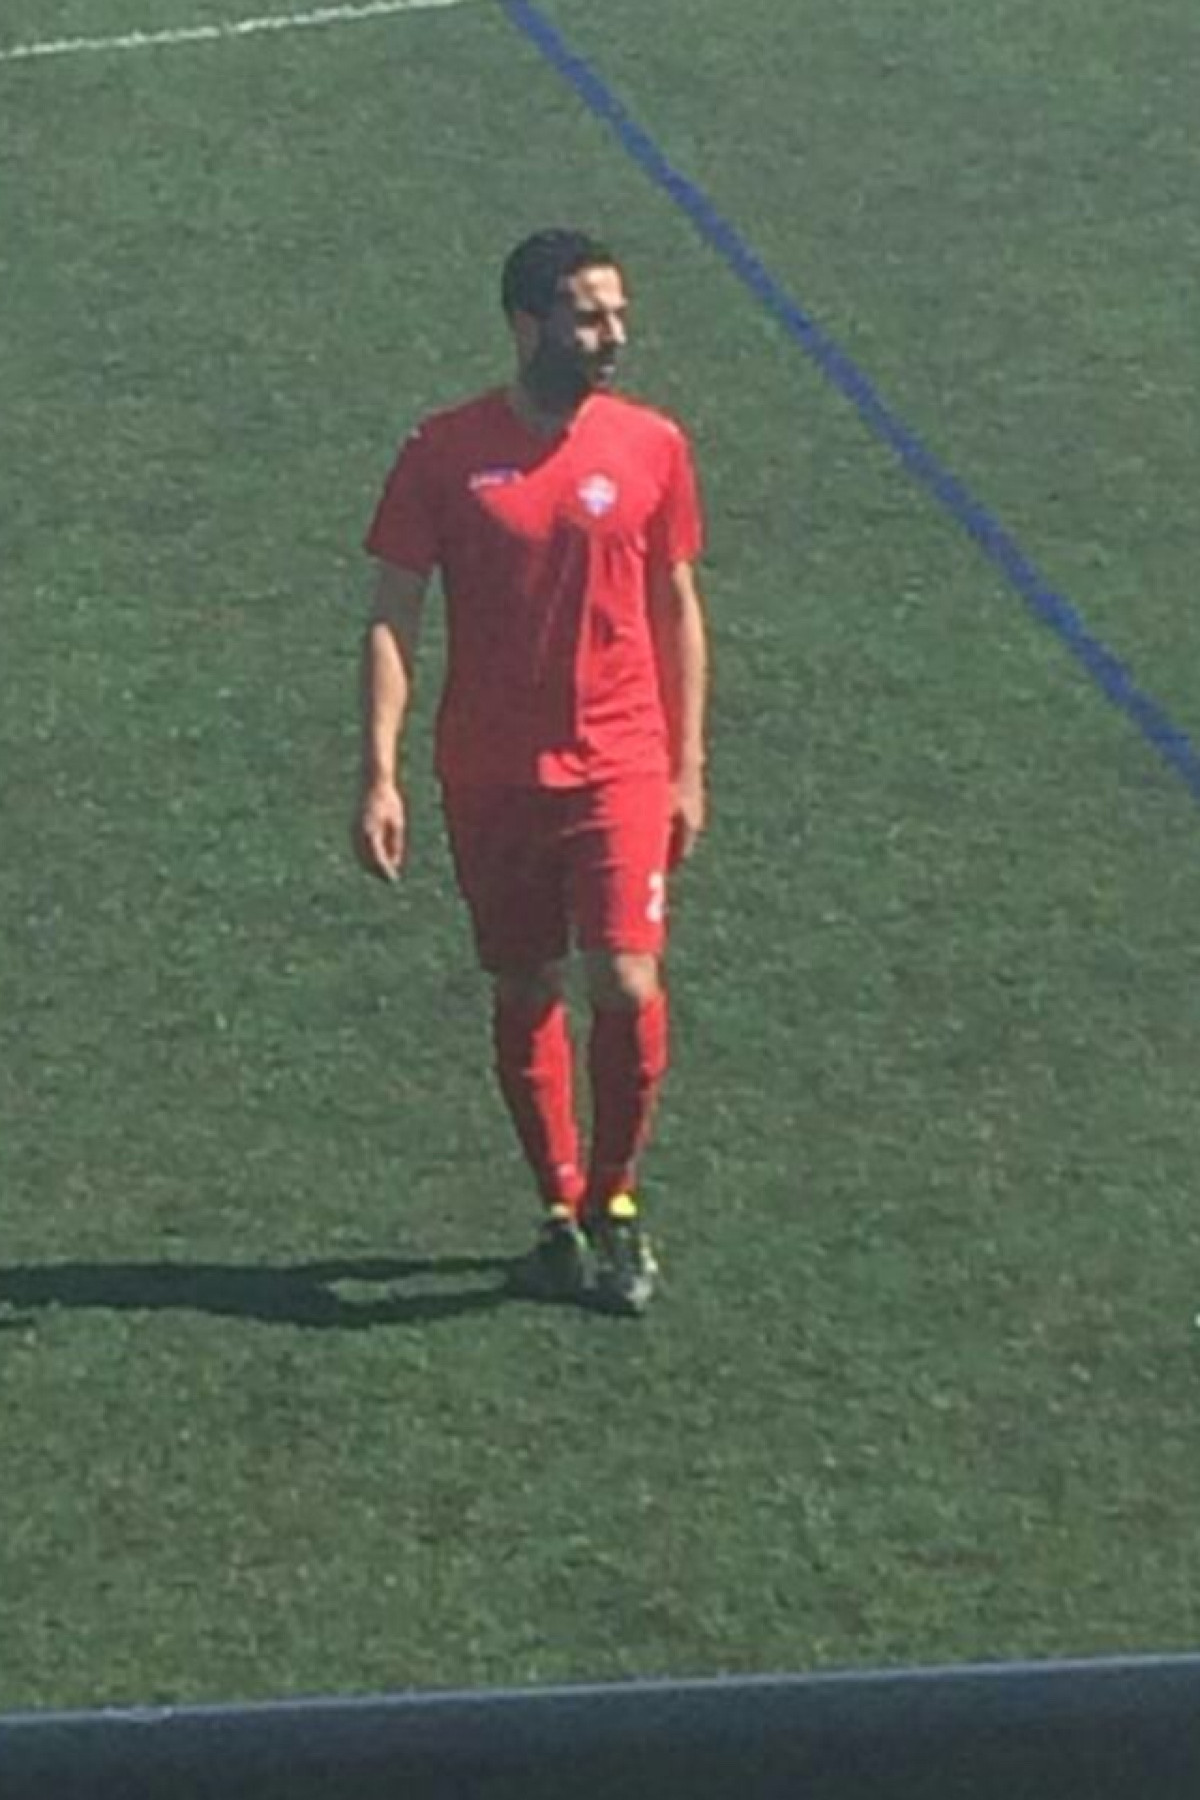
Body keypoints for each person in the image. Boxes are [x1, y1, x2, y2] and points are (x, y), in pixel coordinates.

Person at [354, 228, 709, 1316]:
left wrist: (686, 763)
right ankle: (556, 1209)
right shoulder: (443, 451)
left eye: (618, 315)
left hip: (620, 761)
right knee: (523, 985)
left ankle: (616, 1199)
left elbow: (676, 608)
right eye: (589, 317)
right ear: (527, 324)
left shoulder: (652, 445)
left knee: (628, 980)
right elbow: (393, 614)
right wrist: (380, 774)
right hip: (491, 772)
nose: (613, 336)